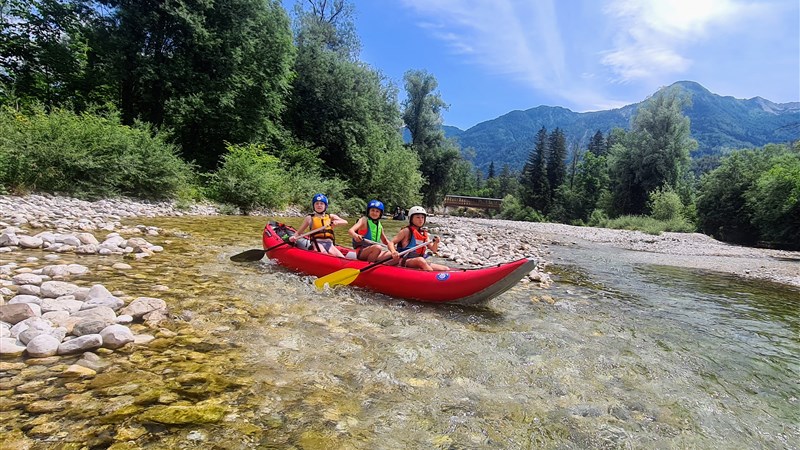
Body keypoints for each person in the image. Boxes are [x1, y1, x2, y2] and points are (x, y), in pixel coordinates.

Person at [391, 206, 450, 271]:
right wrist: (393, 252)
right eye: (418, 217)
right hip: (405, 260)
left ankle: (434, 276)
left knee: (445, 269)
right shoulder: (406, 231)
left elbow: (434, 250)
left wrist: (436, 243)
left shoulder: (423, 233)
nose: (421, 219)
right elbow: (391, 243)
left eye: (422, 217)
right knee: (421, 260)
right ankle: (431, 278)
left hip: (419, 261)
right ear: (411, 218)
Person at [290, 193, 348, 258]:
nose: (319, 205)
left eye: (321, 203)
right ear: (313, 206)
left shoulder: (331, 216)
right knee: (325, 256)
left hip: (329, 244)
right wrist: (293, 237)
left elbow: (345, 222)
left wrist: (337, 222)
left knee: (342, 258)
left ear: (325, 206)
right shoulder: (309, 218)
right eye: (317, 203)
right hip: (317, 243)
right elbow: (299, 232)